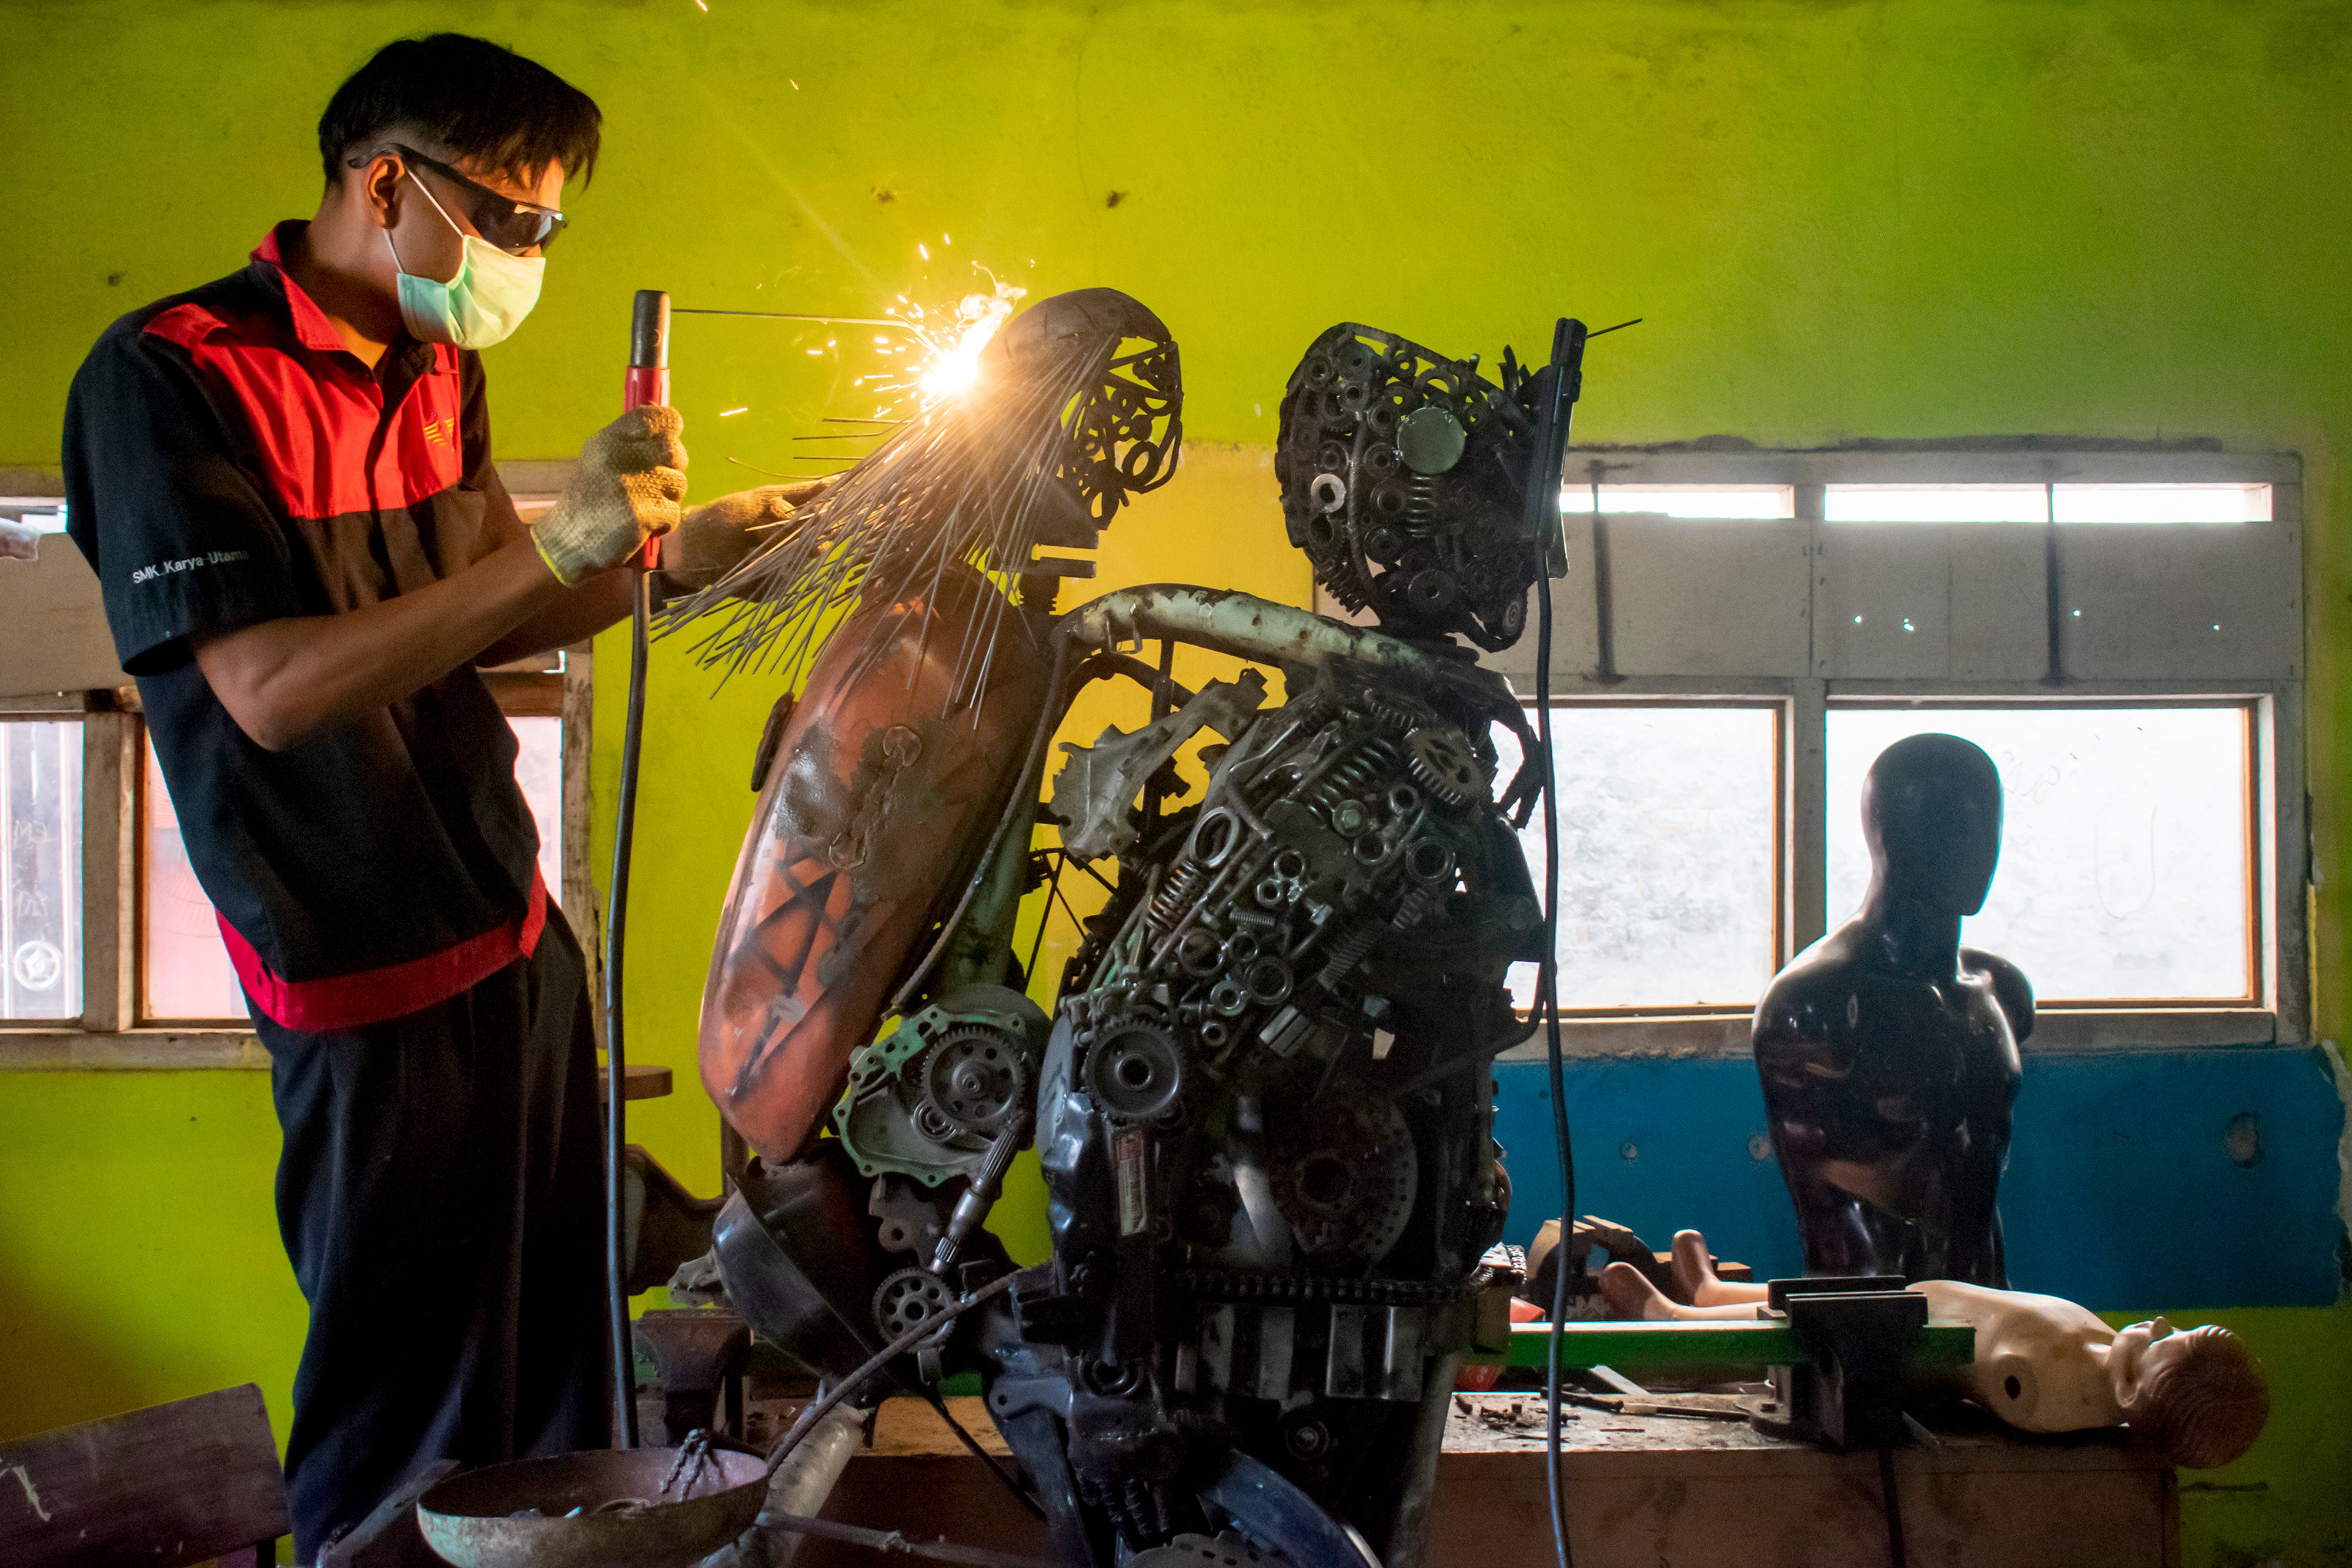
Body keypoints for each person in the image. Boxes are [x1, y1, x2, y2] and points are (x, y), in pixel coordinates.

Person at [60, 34, 801, 1560]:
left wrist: (673, 563)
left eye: (549, 227)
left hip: (510, 937)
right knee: (406, 1418)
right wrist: (562, 543)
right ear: (386, 181)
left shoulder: (435, 364)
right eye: (510, 218)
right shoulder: (171, 376)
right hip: (357, 970)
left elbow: (485, 613)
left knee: (553, 1386)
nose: (528, 257)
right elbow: (272, 691)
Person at [1595, 1230, 2270, 1470]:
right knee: (1798, 1296)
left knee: (1788, 1328)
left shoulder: (2045, 1390)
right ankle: (1707, 1291)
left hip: (1893, 1336)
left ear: (2130, 1391)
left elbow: (1997, 1378)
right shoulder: (2102, 1363)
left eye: (2165, 1342)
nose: (2159, 1322)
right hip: (1908, 1301)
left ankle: (1671, 1316)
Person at [1752, 733, 2030, 1286]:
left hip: (1988, 1301)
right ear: (1886, 837)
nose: (1976, 852)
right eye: (1946, 830)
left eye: (1986, 828)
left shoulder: (2000, 993)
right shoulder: (1815, 1003)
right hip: (1867, 1310)